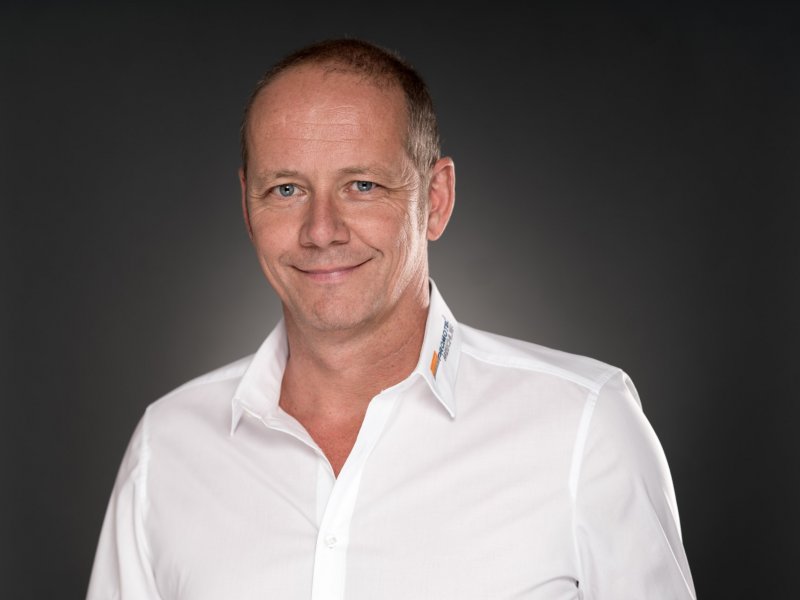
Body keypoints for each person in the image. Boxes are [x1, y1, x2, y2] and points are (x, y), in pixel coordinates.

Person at [86, 38, 696, 599]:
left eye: (362, 185)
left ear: (436, 200)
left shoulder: (585, 427)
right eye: (286, 190)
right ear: (248, 209)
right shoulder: (166, 448)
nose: (321, 231)